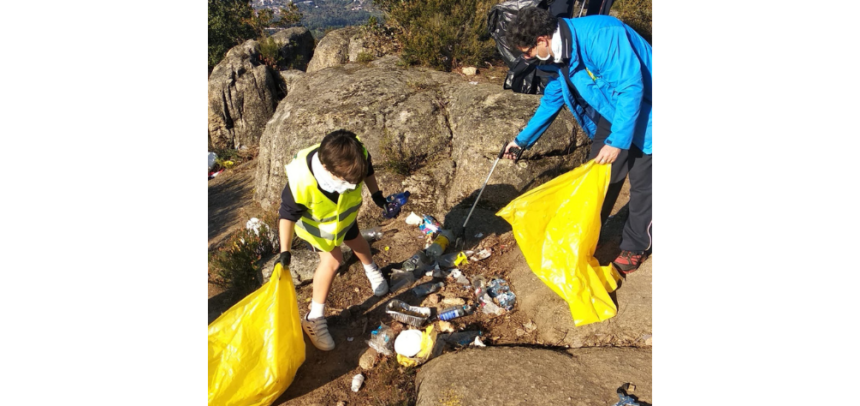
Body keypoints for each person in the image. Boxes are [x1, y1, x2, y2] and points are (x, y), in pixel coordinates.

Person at [503, 7, 652, 273]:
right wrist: (522, 140)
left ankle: (634, 246)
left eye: (527, 52)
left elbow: (632, 87)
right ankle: (586, 236)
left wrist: (617, 141)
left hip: (649, 108)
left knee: (644, 184)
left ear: (542, 40)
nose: (526, 59)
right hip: (613, 109)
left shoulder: (601, 35)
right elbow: (553, 98)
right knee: (599, 175)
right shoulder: (558, 55)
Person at [275, 129, 393, 351]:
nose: (351, 184)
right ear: (326, 168)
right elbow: (286, 216)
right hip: (318, 228)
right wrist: (285, 251)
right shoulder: (301, 182)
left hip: (345, 216)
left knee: (357, 240)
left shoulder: (356, 154)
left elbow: (368, 170)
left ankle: (372, 271)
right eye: (346, 180)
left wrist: (376, 194)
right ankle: (314, 318)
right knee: (333, 261)